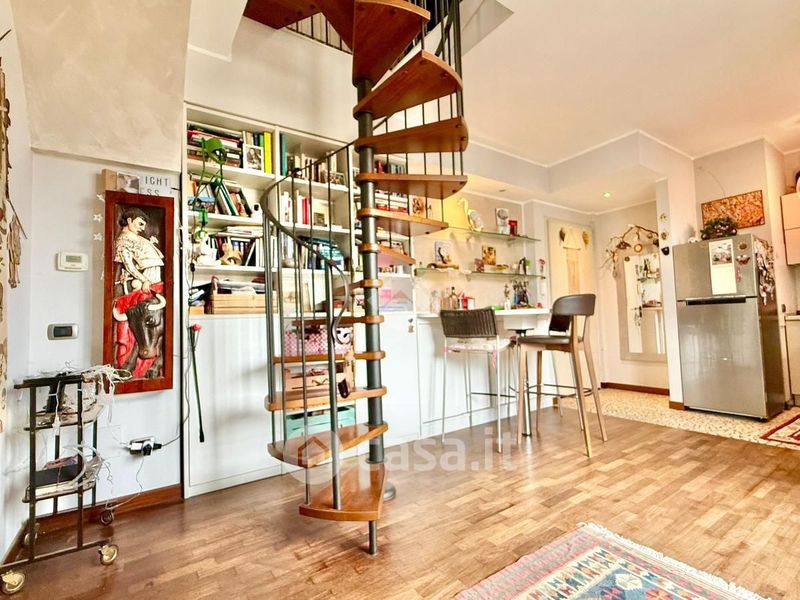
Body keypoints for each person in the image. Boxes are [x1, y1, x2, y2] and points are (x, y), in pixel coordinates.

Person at [114, 208, 164, 294]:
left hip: (153, 274)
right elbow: (129, 265)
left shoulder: (136, 237)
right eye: (140, 224)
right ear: (129, 220)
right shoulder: (123, 241)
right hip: (148, 277)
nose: (143, 229)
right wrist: (145, 280)